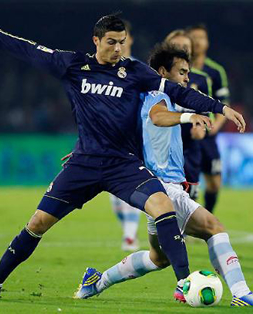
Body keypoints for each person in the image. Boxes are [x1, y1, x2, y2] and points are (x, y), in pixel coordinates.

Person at [0, 14, 246, 300]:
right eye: (111, 42)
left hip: (124, 164)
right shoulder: (73, 65)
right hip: (84, 164)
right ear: (96, 40)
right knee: (37, 223)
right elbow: (26, 48)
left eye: (122, 42)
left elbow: (175, 91)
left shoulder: (134, 71)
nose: (118, 49)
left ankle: (185, 283)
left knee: (163, 206)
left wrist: (219, 108)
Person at [74, 43, 253, 307]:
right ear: (162, 71)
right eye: (182, 72)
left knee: (157, 258)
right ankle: (241, 293)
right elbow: (158, 116)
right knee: (213, 228)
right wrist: (187, 117)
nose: (186, 78)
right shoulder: (155, 96)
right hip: (163, 187)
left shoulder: (160, 99)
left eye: (188, 72)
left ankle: (97, 281)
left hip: (155, 189)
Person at [186, 24, 230, 212]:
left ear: (207, 42)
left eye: (201, 37)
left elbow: (224, 104)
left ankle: (207, 216)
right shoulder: (180, 69)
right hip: (186, 133)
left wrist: (214, 127)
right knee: (189, 184)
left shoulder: (215, 71)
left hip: (208, 135)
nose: (197, 41)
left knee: (214, 183)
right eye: (193, 37)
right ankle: (187, 223)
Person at [164, 30, 212, 199]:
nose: (181, 50)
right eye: (176, 46)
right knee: (163, 204)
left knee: (190, 201)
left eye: (185, 46)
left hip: (190, 148)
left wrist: (202, 128)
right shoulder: (157, 78)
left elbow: (205, 112)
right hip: (164, 148)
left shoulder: (201, 79)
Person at [108, 20, 142, 252]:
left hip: (135, 138)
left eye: (124, 38)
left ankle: (130, 236)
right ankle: (129, 233)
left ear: (130, 40)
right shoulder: (105, 68)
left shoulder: (139, 69)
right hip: (108, 138)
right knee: (114, 198)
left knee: (129, 187)